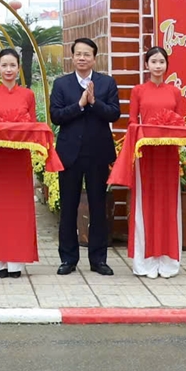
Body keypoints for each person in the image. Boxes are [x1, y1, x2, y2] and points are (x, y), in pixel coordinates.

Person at [110, 46, 186, 279]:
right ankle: (145, 261)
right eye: (153, 61)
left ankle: (168, 260)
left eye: (161, 61)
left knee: (169, 204)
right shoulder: (138, 91)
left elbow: (179, 123)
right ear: (146, 65)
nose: (158, 66)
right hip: (146, 155)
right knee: (145, 203)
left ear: (166, 65)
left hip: (168, 155)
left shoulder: (175, 92)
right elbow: (132, 123)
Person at [0, 48, 51, 278]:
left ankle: (16, 262)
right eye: (4, 65)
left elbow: (33, 126)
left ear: (18, 68)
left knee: (19, 209)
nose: (8, 70)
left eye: (12, 65)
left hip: (19, 159)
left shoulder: (27, 95)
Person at [49, 37, 121, 275]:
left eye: (86, 54)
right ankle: (68, 258)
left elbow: (114, 114)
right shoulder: (62, 84)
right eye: (78, 54)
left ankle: (98, 259)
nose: (82, 58)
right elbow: (56, 116)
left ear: (94, 58)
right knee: (68, 207)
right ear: (72, 57)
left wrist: (94, 102)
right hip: (69, 154)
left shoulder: (107, 83)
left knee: (98, 206)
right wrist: (80, 105)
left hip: (98, 153)